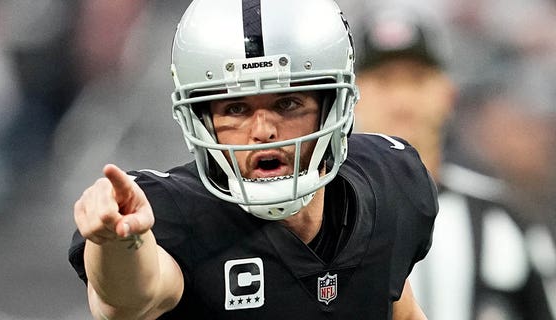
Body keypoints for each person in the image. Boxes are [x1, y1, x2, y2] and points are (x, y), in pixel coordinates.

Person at [68, 0, 438, 318]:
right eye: (236, 108)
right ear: (200, 119)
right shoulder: (177, 213)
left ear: (332, 106)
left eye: (287, 103)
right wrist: (119, 242)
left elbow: (394, 305)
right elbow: (128, 301)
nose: (262, 130)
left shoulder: (389, 183)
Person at [352, 4, 555, 320]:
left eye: (417, 80)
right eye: (383, 81)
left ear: (448, 93)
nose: (402, 101)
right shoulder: (320, 215)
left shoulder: (505, 219)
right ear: (351, 96)